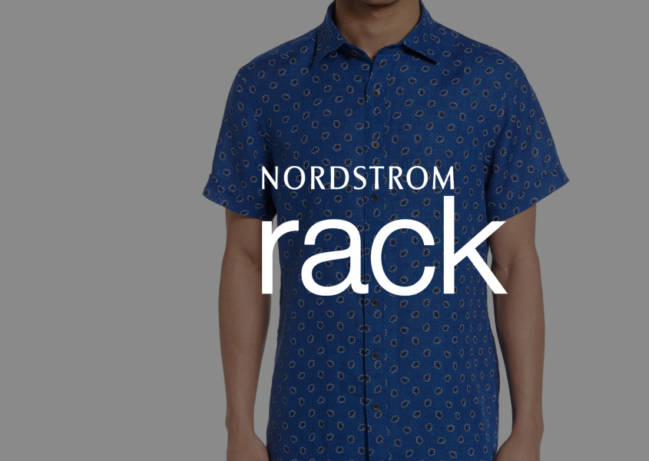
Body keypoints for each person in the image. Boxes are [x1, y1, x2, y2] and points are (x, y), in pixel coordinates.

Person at [201, 0, 570, 460]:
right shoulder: (264, 86)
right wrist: (238, 427)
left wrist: (529, 428)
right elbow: (246, 258)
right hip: (313, 427)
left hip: (452, 430)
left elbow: (514, 262)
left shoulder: (493, 83)